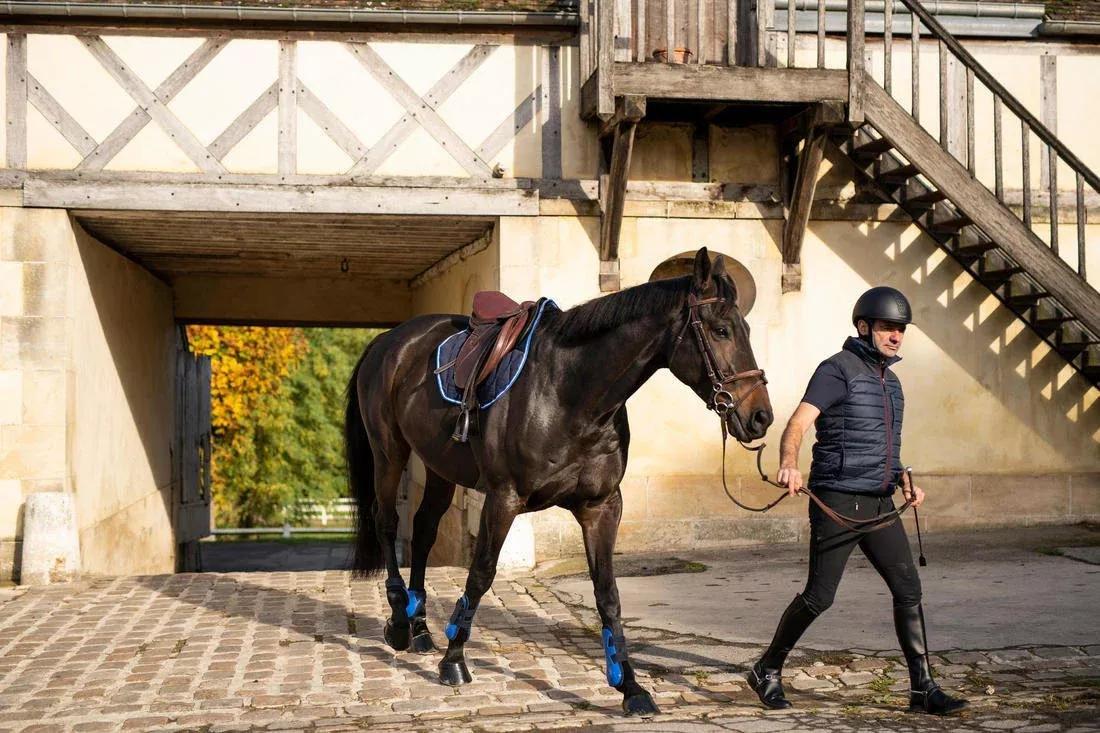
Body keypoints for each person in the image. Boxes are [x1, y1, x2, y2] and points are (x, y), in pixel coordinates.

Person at [747, 286, 967, 716]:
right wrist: (789, 463)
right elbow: (797, 423)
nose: (895, 336)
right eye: (887, 327)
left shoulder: (893, 384)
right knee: (820, 596)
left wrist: (904, 479)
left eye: (900, 329)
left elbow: (883, 446)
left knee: (908, 590)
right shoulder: (837, 370)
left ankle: (923, 688)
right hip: (838, 500)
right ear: (864, 327)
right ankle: (767, 668)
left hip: (880, 502)